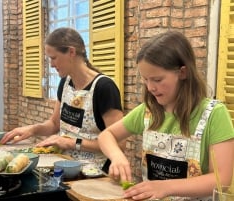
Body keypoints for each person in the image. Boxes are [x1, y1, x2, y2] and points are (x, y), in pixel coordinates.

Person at [98, 31, 234, 200]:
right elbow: (106, 135)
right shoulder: (148, 111)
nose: (150, 87)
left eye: (157, 79)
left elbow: (222, 179)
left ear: (183, 73)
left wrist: (166, 187)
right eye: (145, 80)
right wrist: (117, 156)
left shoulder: (214, 114)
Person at [1, 27, 124, 168]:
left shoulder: (104, 87)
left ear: (71, 52)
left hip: (94, 171)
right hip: (63, 162)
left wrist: (71, 143)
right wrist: (32, 130)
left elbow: (119, 145)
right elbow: (54, 124)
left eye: (54, 58)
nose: (52, 65)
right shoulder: (65, 82)